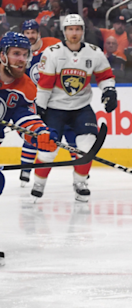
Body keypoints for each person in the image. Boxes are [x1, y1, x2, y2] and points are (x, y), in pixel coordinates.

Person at [33, 14, 117, 202]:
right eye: (70, 29)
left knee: (87, 147)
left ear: (83, 31)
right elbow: (45, 85)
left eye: (78, 29)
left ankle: (80, 183)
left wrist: (109, 91)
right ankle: (39, 183)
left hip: (81, 108)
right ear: (64, 32)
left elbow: (105, 76)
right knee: (48, 151)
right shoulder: (52, 53)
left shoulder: (94, 52)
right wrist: (40, 108)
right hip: (55, 108)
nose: (74, 32)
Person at [0, 32, 59, 195]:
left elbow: (25, 119)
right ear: (2, 55)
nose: (21, 60)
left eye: (25, 55)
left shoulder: (25, 87)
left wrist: (40, 133)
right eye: (16, 54)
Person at [18, 19, 61, 186]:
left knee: (48, 132)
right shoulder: (20, 52)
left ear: (39, 33)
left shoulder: (53, 45)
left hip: (51, 98)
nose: (30, 36)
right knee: (32, 132)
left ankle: (80, 170)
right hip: (30, 99)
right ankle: (25, 171)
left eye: (33, 32)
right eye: (27, 33)